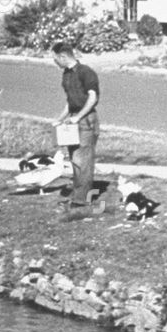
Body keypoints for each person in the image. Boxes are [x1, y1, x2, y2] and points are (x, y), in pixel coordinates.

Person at [52, 41, 100, 215]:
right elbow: (70, 100)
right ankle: (78, 195)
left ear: (63, 56)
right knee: (75, 160)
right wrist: (60, 119)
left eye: (55, 59)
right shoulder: (66, 74)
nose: (54, 62)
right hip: (73, 120)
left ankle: (81, 202)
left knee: (83, 161)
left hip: (86, 121)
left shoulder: (86, 72)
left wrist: (78, 117)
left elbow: (92, 98)